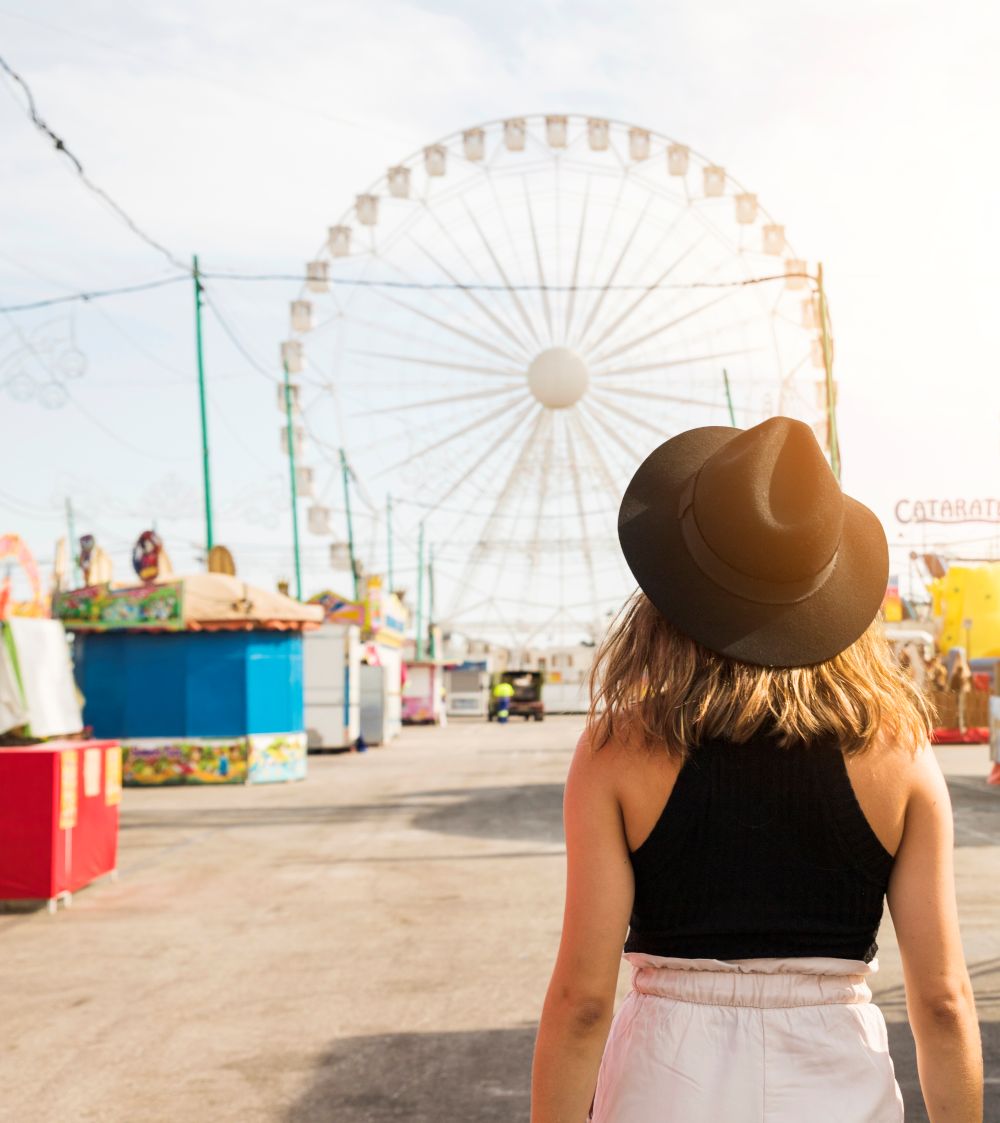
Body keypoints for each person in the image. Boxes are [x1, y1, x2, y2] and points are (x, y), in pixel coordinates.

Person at [531, 417, 983, 1123]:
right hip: (837, 1078)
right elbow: (944, 999)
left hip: (665, 1079)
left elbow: (582, 1002)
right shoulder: (900, 751)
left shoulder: (617, 748)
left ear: (671, 590)